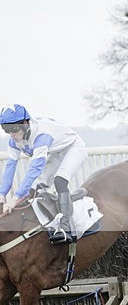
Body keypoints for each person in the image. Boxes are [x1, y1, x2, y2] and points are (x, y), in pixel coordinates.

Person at [0, 104, 88, 243]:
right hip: (56, 152)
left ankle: (66, 229)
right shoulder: (13, 141)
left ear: (25, 123)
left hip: (74, 148)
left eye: (14, 129)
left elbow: (35, 169)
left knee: (60, 180)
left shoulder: (41, 135)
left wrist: (15, 199)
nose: (11, 134)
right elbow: (10, 167)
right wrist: (2, 195)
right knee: (34, 187)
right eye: (6, 129)